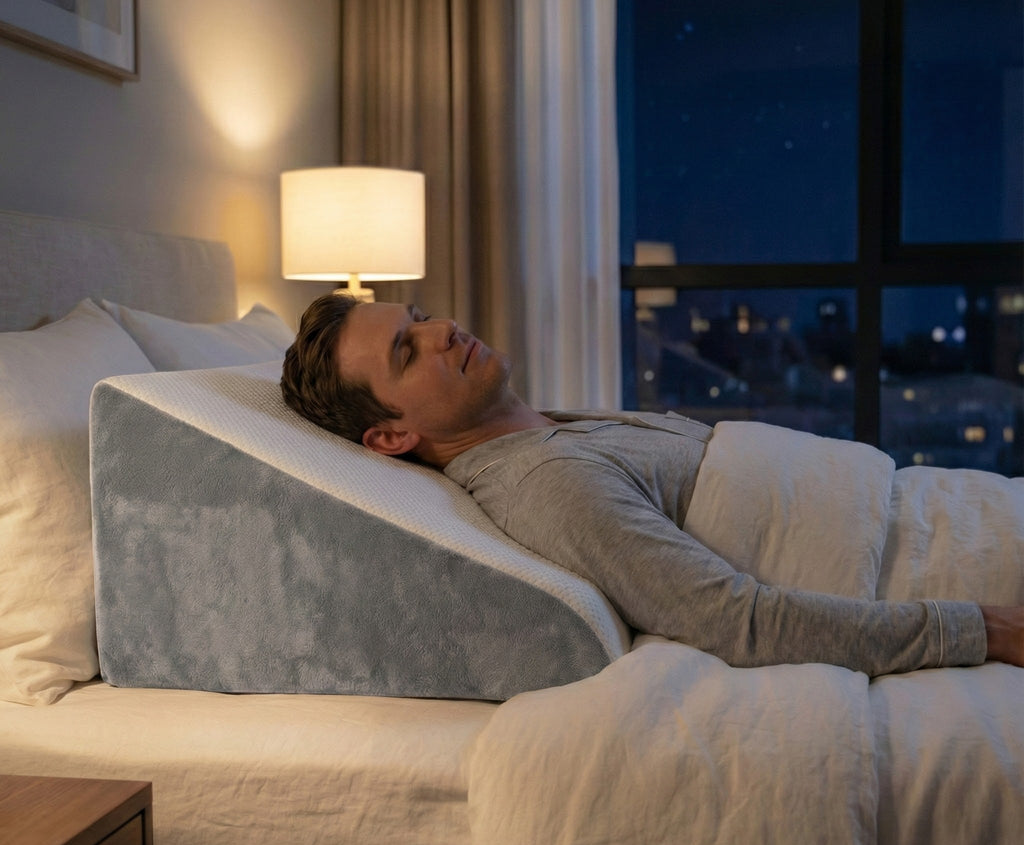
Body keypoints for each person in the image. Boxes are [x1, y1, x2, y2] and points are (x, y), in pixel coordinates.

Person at [281, 292, 1024, 677]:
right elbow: (739, 624)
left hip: (951, 507)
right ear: (389, 436)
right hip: (950, 563)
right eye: (409, 350)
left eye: (419, 316)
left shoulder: (551, 431)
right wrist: (979, 628)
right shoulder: (547, 483)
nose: (442, 328)